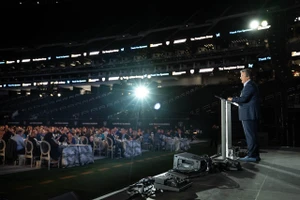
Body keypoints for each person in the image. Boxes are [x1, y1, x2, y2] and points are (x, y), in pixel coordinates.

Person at [227, 68, 261, 162]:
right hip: (249, 114)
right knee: (252, 135)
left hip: (249, 115)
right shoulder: (250, 85)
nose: (240, 77)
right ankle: (254, 155)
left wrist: (232, 99)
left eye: (241, 75)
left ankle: (252, 156)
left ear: (247, 76)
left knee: (250, 136)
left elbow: (243, 99)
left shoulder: (249, 85)